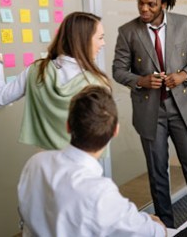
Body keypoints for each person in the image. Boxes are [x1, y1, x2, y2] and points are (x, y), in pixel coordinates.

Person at [112, 0, 187, 227]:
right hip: (150, 112)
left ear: (163, 4)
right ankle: (165, 227)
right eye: (141, 4)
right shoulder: (127, 32)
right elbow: (118, 71)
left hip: (182, 109)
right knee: (157, 173)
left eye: (151, 5)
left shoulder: (184, 23)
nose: (144, 9)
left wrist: (183, 75)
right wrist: (141, 81)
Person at [17, 85, 167, 236]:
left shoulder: (35, 163)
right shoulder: (100, 193)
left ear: (68, 126)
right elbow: (156, 233)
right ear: (115, 131)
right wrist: (153, 224)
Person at [0, 11, 111, 150]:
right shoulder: (98, 83)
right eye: (100, 38)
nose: (103, 43)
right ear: (83, 39)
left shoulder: (37, 70)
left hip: (47, 162)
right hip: (82, 162)